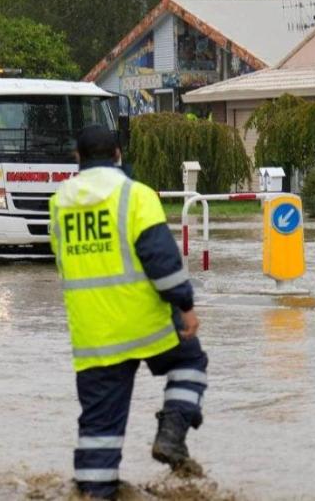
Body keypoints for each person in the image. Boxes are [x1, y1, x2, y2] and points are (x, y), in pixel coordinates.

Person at [48, 125, 208, 500]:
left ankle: (94, 489)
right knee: (190, 362)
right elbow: (162, 260)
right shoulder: (136, 195)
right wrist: (184, 305)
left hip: (93, 334)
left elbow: (62, 262)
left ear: (77, 158)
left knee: (99, 427)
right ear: (118, 154)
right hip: (147, 322)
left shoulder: (58, 202)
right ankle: (171, 433)